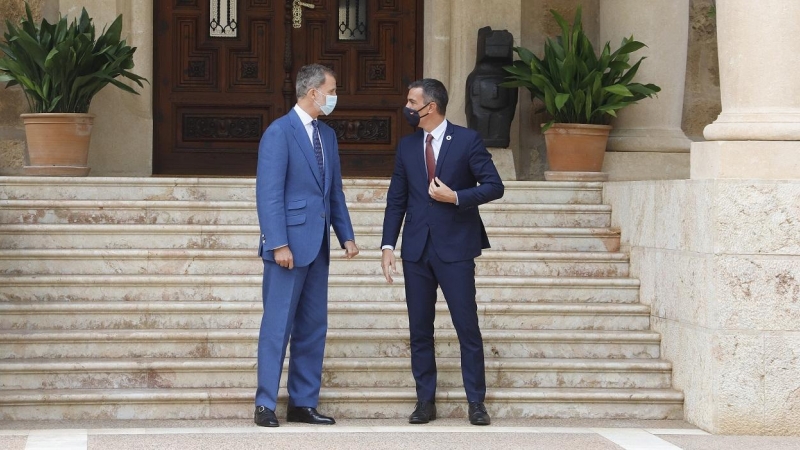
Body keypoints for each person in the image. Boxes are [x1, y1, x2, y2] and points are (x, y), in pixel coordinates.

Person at [380, 78, 504, 426]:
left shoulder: (467, 140)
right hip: (416, 250)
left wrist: (458, 197)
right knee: (420, 329)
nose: (406, 107)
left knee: (467, 327)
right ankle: (425, 401)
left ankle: (476, 402)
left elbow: (495, 186)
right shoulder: (407, 146)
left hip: (456, 248)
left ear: (429, 107)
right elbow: (397, 199)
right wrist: (389, 245)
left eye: (410, 101)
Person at [254, 63, 359, 428]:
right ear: (313, 92)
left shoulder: (327, 136)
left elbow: (333, 191)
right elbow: (268, 194)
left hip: (318, 246)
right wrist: (278, 243)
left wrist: (346, 234)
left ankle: (302, 402)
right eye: (331, 90)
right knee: (277, 325)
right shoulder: (279, 132)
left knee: (313, 326)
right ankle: (265, 403)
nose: (334, 96)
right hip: (288, 248)